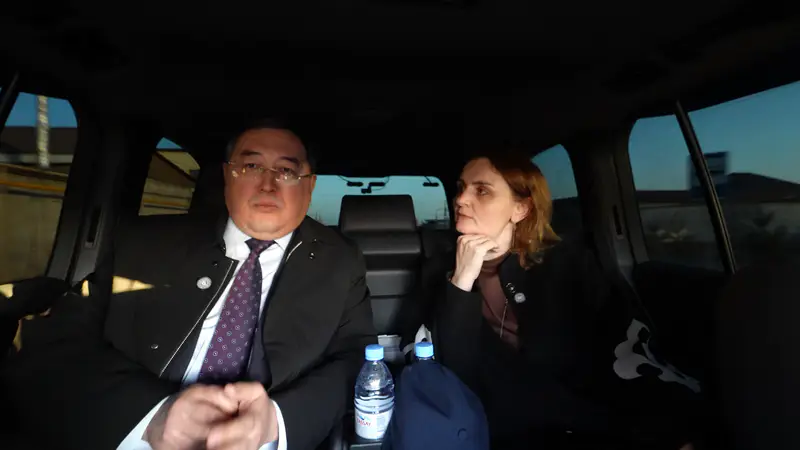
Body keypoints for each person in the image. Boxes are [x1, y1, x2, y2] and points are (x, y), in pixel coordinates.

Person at [2, 120, 376, 450]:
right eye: (251, 166)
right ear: (228, 176)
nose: (268, 184)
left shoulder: (340, 262)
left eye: (287, 171)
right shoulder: (145, 244)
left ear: (309, 187)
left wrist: (276, 422)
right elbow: (52, 340)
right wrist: (151, 417)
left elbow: (355, 359)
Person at [410, 152, 701, 450]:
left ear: (520, 209)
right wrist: (461, 282)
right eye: (461, 188)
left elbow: (623, 347)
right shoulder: (438, 271)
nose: (460, 199)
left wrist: (669, 428)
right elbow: (440, 368)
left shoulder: (567, 265)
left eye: (482, 191)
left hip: (579, 422)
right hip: (485, 428)